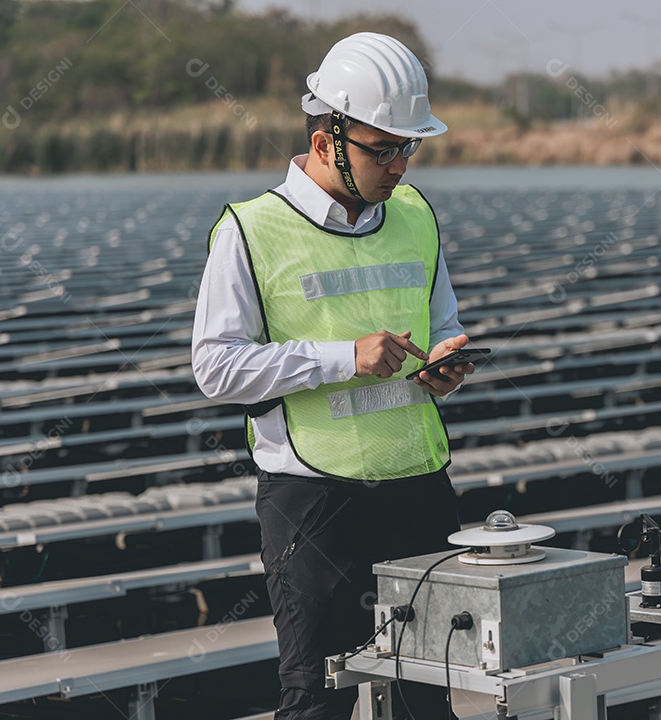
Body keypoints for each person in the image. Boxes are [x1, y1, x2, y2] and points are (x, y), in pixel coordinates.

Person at [191, 31, 475, 720]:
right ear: (327, 141)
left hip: (418, 486)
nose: (401, 165)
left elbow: (443, 322)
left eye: (410, 146)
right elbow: (216, 367)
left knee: (426, 693)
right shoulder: (252, 231)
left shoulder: (415, 217)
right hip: (314, 504)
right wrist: (343, 357)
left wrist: (448, 361)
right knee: (317, 697)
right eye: (385, 148)